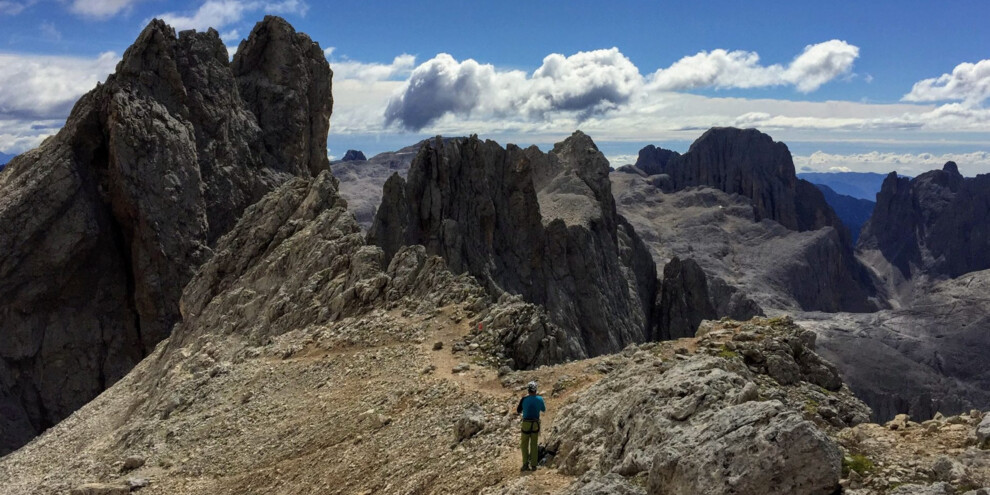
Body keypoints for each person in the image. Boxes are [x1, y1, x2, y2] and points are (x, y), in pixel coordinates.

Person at [516, 381, 546, 472]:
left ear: (528, 390)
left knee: (524, 444)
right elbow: (543, 409)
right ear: (536, 390)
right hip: (535, 424)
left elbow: (518, 410)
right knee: (534, 444)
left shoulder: (524, 399)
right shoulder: (540, 399)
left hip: (526, 424)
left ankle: (525, 464)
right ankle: (533, 465)